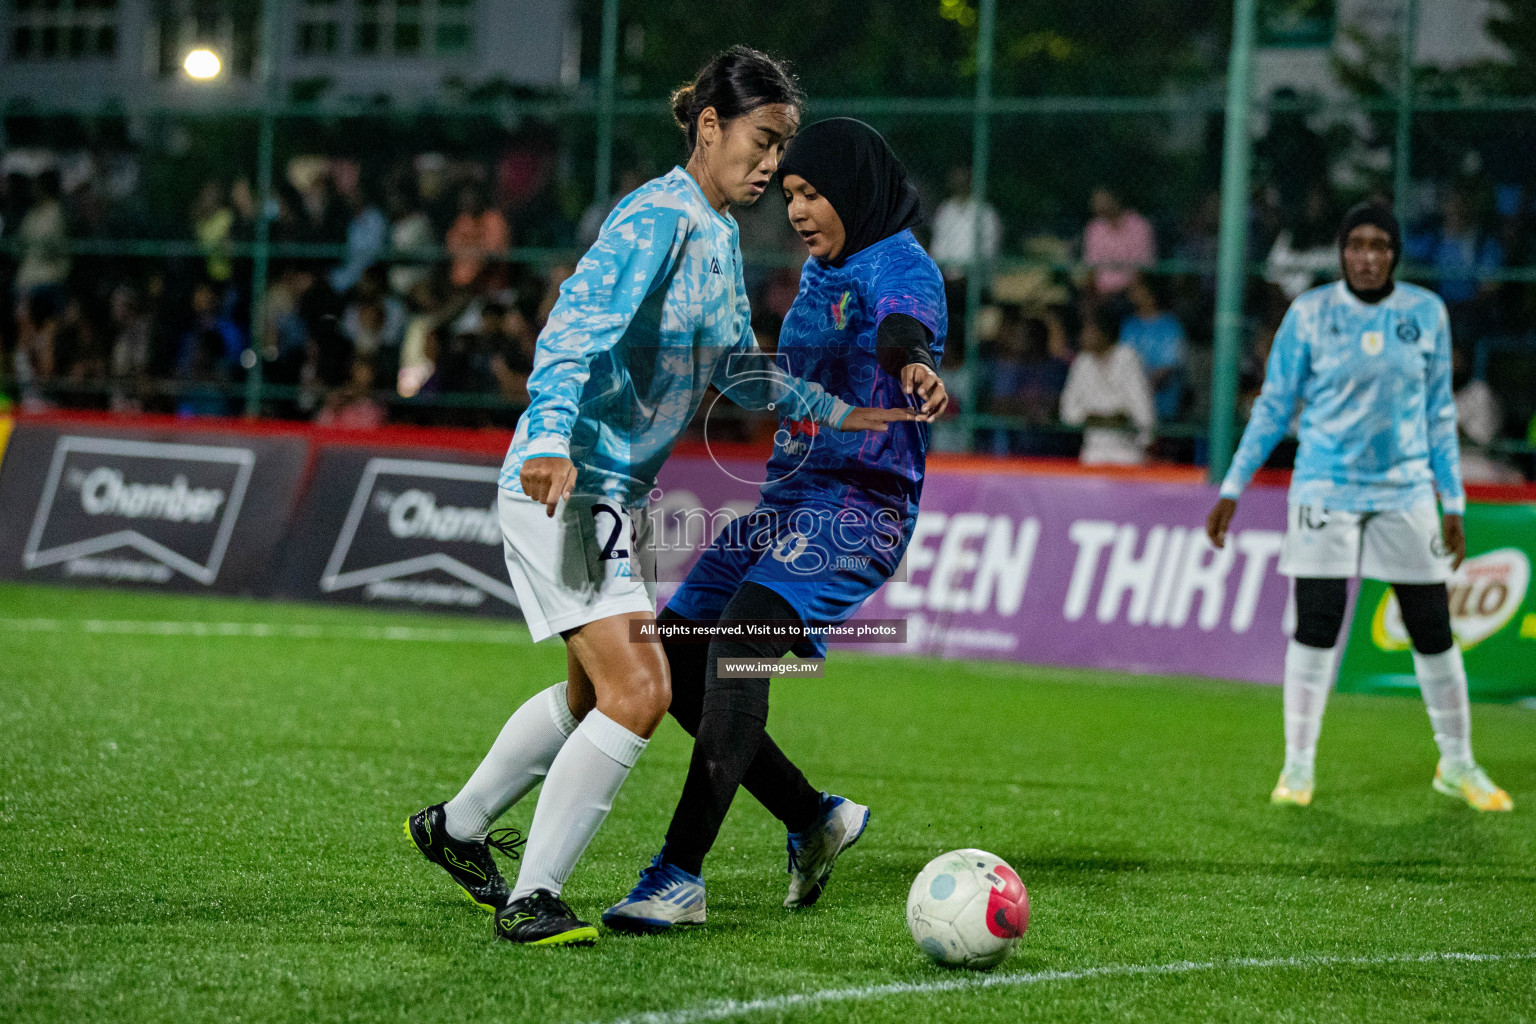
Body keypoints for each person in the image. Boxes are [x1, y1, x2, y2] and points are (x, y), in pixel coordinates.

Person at [404, 47, 923, 948]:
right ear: (709, 126)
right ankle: (534, 898)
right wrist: (546, 438)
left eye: (783, 150)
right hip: (565, 483)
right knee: (643, 688)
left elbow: (737, 374)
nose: (772, 168)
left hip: (612, 499)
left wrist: (838, 410)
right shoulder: (656, 217)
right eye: (761, 143)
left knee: (587, 694)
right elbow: (573, 325)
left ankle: (454, 830)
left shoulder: (716, 236)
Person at [600, 117, 948, 933]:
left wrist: (914, 363)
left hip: (860, 509)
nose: (796, 209)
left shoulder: (901, 264)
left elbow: (904, 327)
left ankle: (678, 876)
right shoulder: (820, 265)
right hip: (785, 506)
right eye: (790, 193)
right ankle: (812, 816)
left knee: (743, 641)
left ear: (855, 192)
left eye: (813, 193)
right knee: (678, 663)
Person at [1206, 202, 1511, 813]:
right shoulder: (1312, 313)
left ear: (1394, 254)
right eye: (1357, 245)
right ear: (1342, 252)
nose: (1368, 256)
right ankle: (1297, 767)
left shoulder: (1424, 313)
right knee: (1316, 626)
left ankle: (1457, 763)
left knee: (1431, 628)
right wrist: (1233, 487)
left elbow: (1439, 414)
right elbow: (1273, 406)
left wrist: (1452, 502)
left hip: (1404, 491)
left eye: (1380, 245)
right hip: (1325, 488)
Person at [1059, 304, 1156, 466]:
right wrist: (1096, 417)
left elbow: (1142, 409)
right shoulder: (1082, 362)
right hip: (1093, 451)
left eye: (1089, 330)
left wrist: (1144, 442)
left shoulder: (1127, 358)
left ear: (1104, 332)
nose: (1083, 335)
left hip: (1127, 452)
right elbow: (1067, 411)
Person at [1118, 273, 1186, 422]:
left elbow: (1167, 369)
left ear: (1151, 293)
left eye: (1138, 288)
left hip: (1162, 406)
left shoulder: (1170, 325)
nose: (1132, 292)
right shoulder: (1129, 325)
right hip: (1129, 403)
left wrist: (1140, 390)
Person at [1082, 185, 1154, 301]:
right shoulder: (1094, 228)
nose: (1095, 204)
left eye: (1101, 199)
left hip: (1131, 289)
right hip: (1101, 292)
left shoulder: (1139, 225)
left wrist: (1127, 289)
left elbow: (1142, 266)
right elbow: (1091, 266)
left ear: (1114, 199)